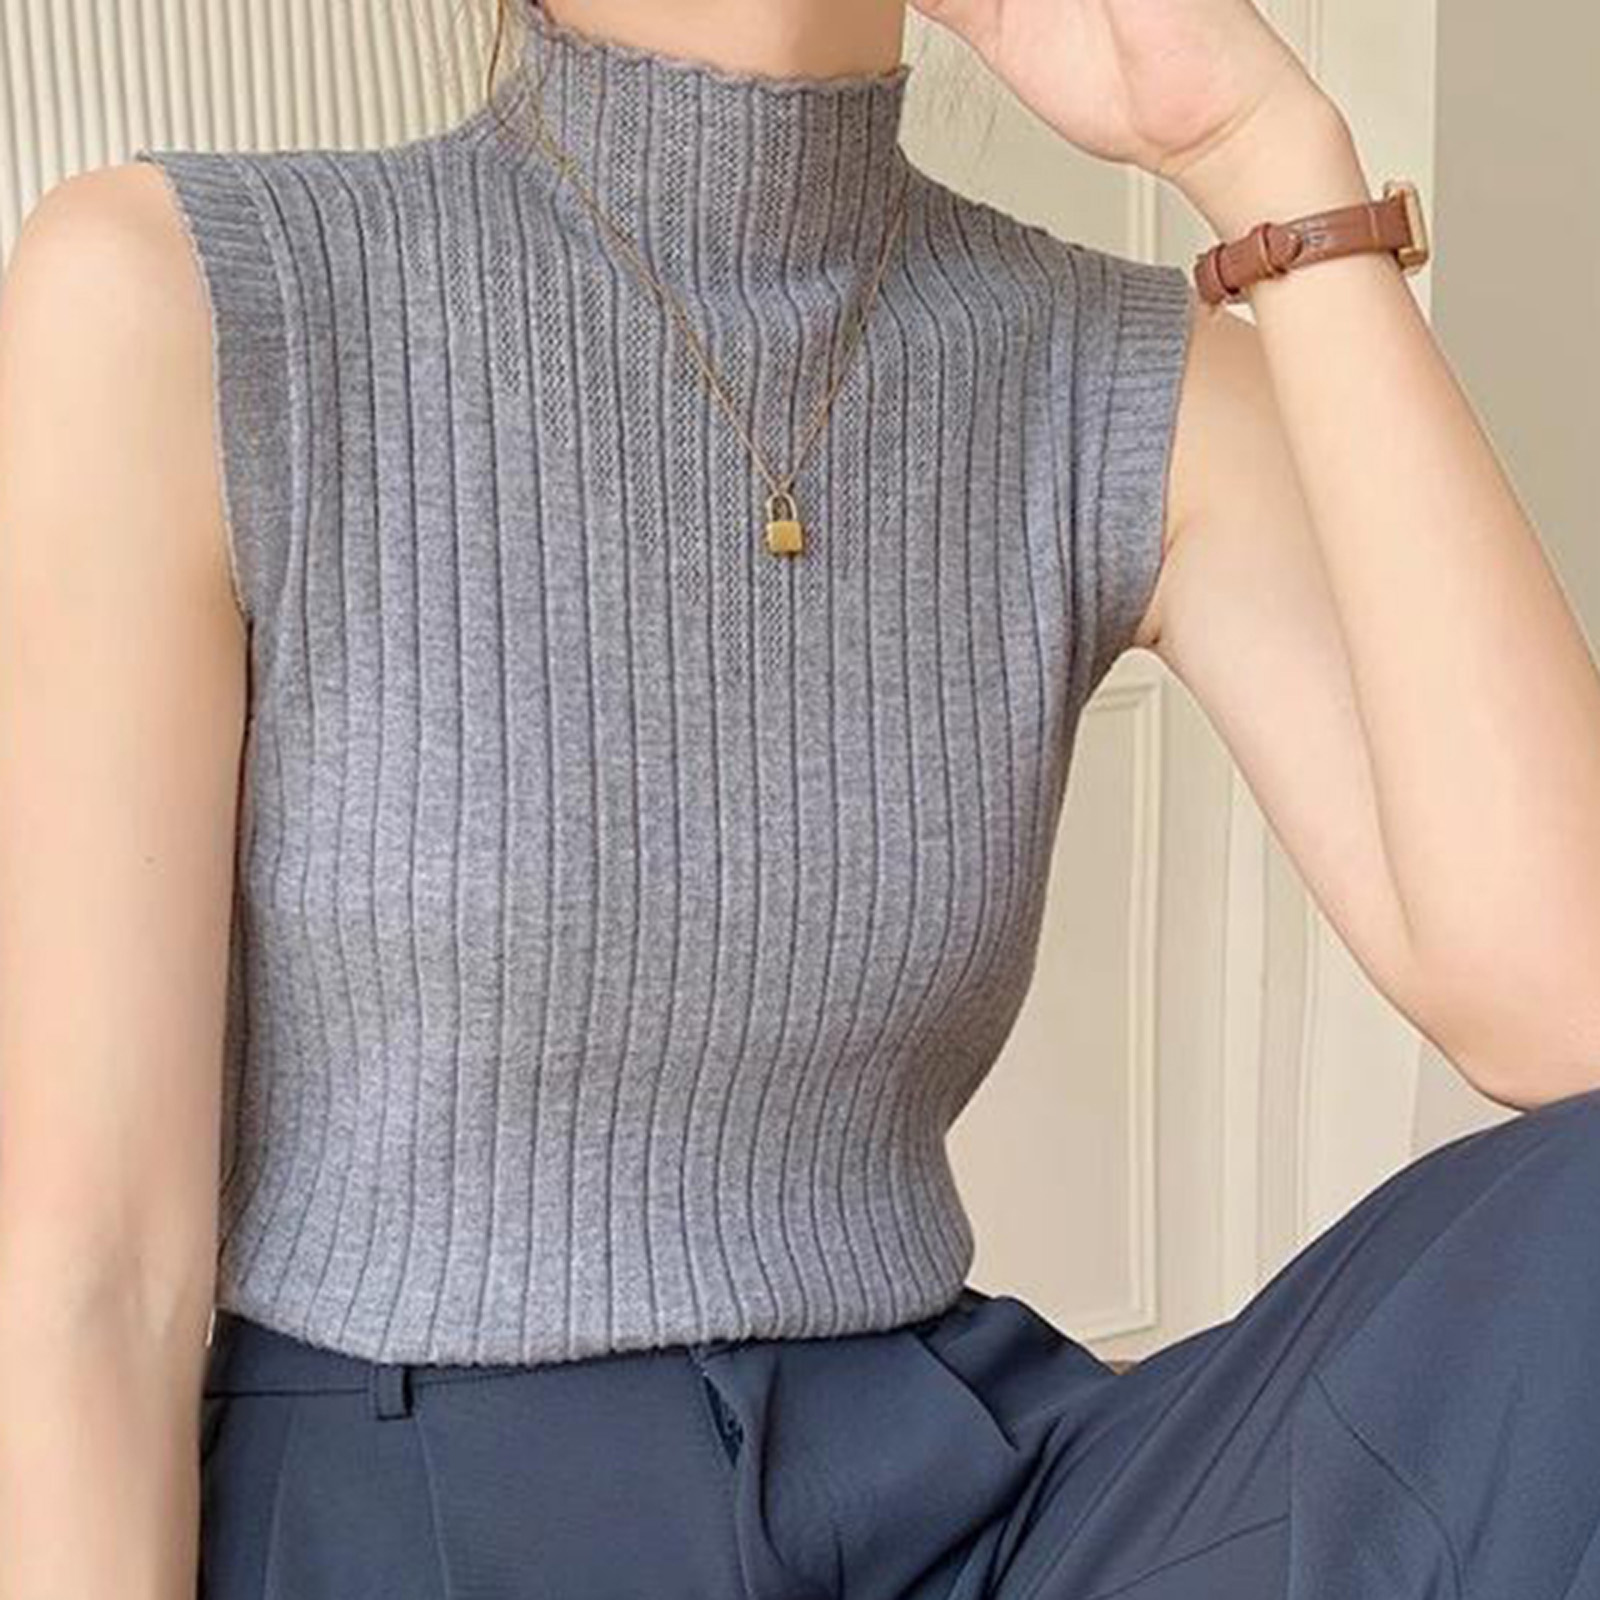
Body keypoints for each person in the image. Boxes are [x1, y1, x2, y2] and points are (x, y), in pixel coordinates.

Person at [3, 0, 1600, 1594]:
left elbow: (1568, 1010)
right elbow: (92, 1279)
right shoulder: (189, 299)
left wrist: (1262, 150)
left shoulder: (1121, 376)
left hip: (962, 1504)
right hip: (410, 1513)